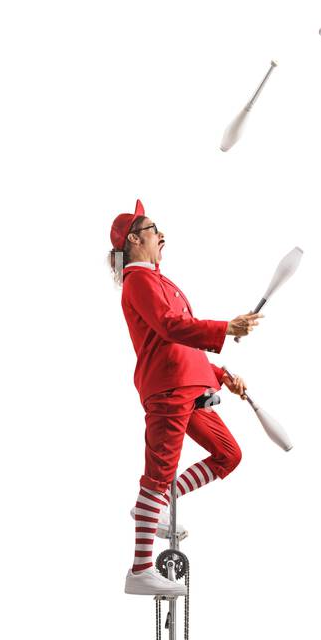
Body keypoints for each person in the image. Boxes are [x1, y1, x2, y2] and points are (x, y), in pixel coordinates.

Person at [108, 199, 265, 596]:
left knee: (228, 454)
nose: (162, 236)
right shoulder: (139, 280)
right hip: (168, 389)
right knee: (157, 474)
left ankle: (162, 503)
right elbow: (171, 327)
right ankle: (140, 569)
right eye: (153, 229)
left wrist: (222, 375)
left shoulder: (158, 280)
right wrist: (225, 328)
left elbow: (180, 345)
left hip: (190, 385)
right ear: (134, 240)